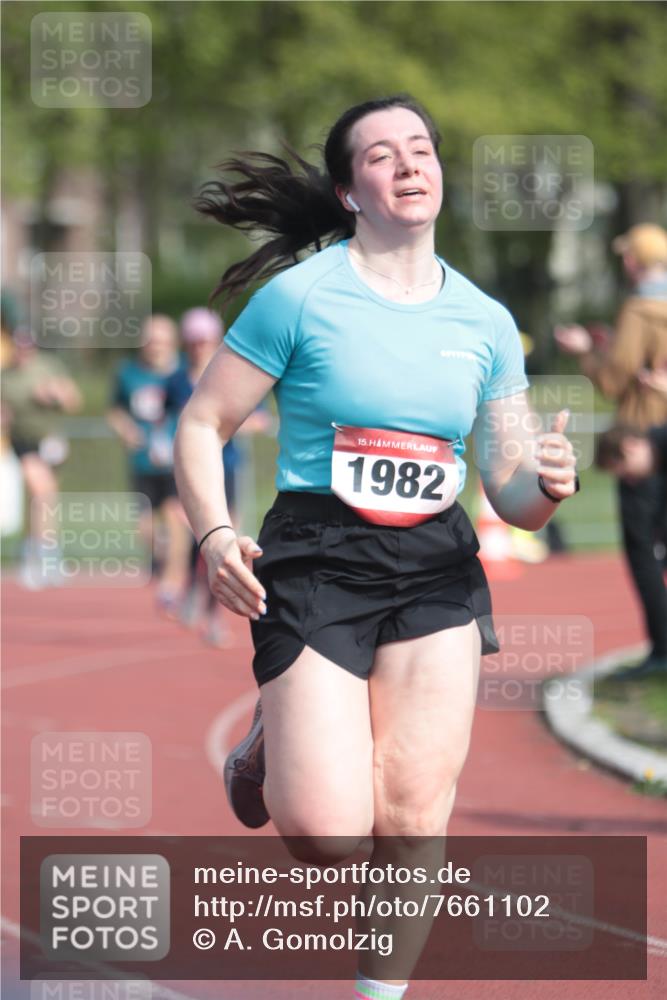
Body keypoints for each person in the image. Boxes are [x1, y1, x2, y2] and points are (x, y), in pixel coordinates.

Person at [174, 96, 579, 998]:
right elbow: (203, 422)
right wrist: (210, 533)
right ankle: (266, 747)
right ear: (347, 190)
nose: (408, 164)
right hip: (318, 556)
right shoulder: (301, 297)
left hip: (435, 562)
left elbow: (512, 494)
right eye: (382, 155)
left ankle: (379, 991)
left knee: (411, 810)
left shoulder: (484, 321)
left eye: (422, 149)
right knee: (325, 834)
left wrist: (546, 480)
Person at [555, 223, 667, 677]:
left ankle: (662, 651)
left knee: (643, 551)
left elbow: (613, 380)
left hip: (642, 441)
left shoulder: (640, 310)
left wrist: (586, 350)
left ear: (633, 261)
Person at [107, 314, 190, 612]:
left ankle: (173, 582)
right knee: (145, 526)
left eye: (162, 340)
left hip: (177, 459)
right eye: (151, 340)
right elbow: (115, 410)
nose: (156, 346)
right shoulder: (128, 373)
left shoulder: (185, 370)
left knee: (174, 516)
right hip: (142, 461)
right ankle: (161, 558)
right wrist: (126, 430)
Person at [1, 326, 82, 587]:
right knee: (41, 491)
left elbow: (73, 402)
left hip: (50, 442)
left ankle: (42, 553)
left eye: (29, 346)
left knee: (46, 501)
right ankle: (39, 556)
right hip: (23, 442)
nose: (24, 352)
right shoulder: (6, 377)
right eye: (20, 346)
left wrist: (55, 396)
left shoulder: (49, 367)